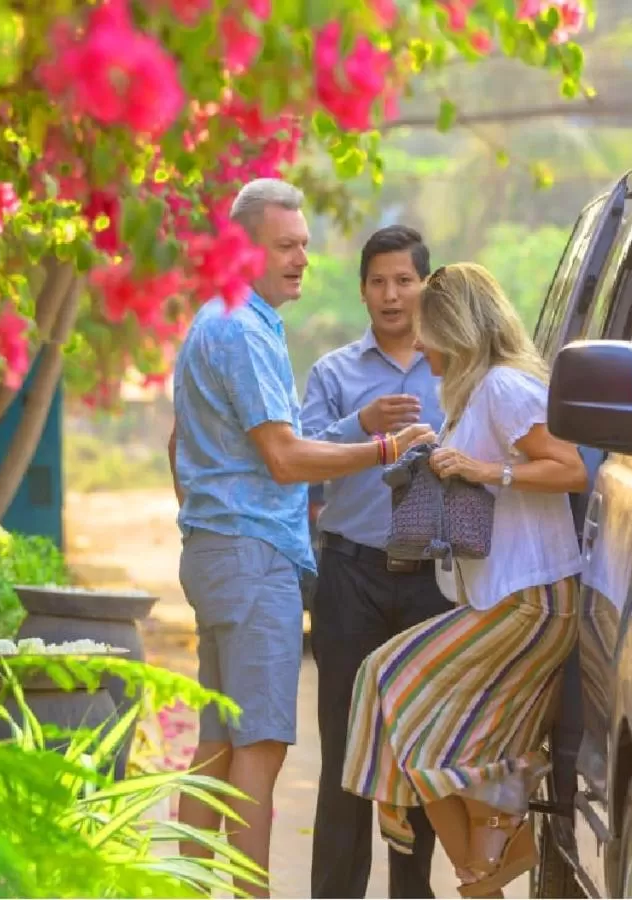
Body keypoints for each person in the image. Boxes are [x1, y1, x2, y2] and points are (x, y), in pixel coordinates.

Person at [167, 178, 436, 898]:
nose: (300, 261)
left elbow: (184, 446)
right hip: (253, 560)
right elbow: (286, 459)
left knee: (220, 745)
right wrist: (383, 452)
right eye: (286, 246)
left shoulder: (217, 321)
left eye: (304, 248)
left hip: (223, 552)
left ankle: (189, 888)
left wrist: (210, 518)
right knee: (259, 744)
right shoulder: (242, 330)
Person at [340, 262, 588, 899]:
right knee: (444, 746)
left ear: (455, 328)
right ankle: (484, 872)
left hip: (532, 602)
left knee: (387, 681)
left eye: (425, 331)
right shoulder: (475, 395)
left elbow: (571, 469)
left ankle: (483, 854)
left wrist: (485, 471)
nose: (417, 345)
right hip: (499, 600)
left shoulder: (506, 387)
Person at [300, 225, 450, 899]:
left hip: (436, 583)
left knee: (417, 752)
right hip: (351, 576)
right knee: (345, 752)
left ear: (427, 284)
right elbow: (298, 459)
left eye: (404, 280)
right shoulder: (333, 373)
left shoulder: (455, 366)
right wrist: (360, 425)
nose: (391, 295)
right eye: (378, 282)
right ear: (362, 290)